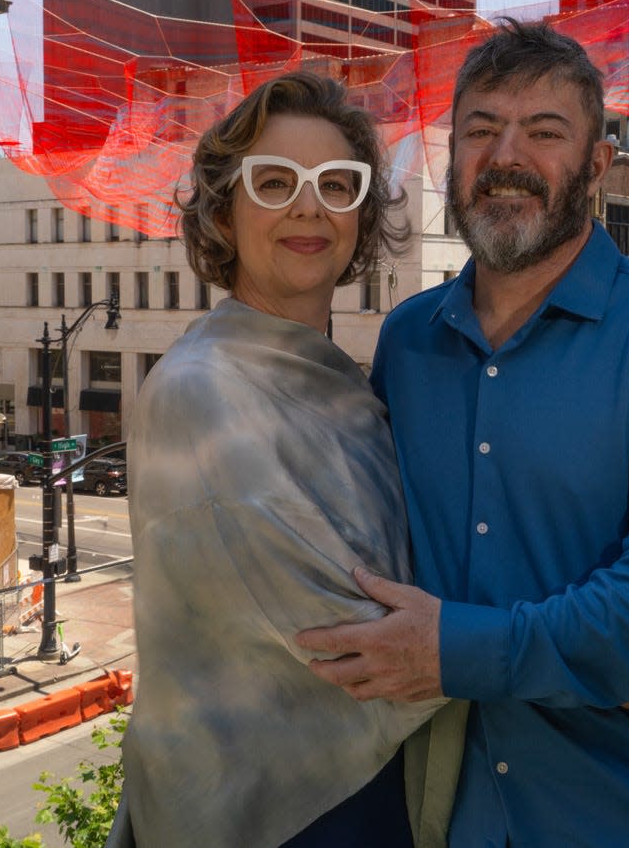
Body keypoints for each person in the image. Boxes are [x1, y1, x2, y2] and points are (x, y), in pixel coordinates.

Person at [296, 19, 629, 847]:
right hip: (446, 804)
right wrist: (598, 672)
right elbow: (378, 557)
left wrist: (475, 653)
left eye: (544, 133)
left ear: (597, 162)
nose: (505, 156)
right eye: (480, 130)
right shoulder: (408, 342)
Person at [120, 72, 442, 847]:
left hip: (373, 791)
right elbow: (358, 644)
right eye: (274, 183)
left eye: (338, 184)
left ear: (362, 217)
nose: (309, 207)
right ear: (224, 213)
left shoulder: (341, 381)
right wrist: (593, 672)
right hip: (271, 814)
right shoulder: (201, 393)